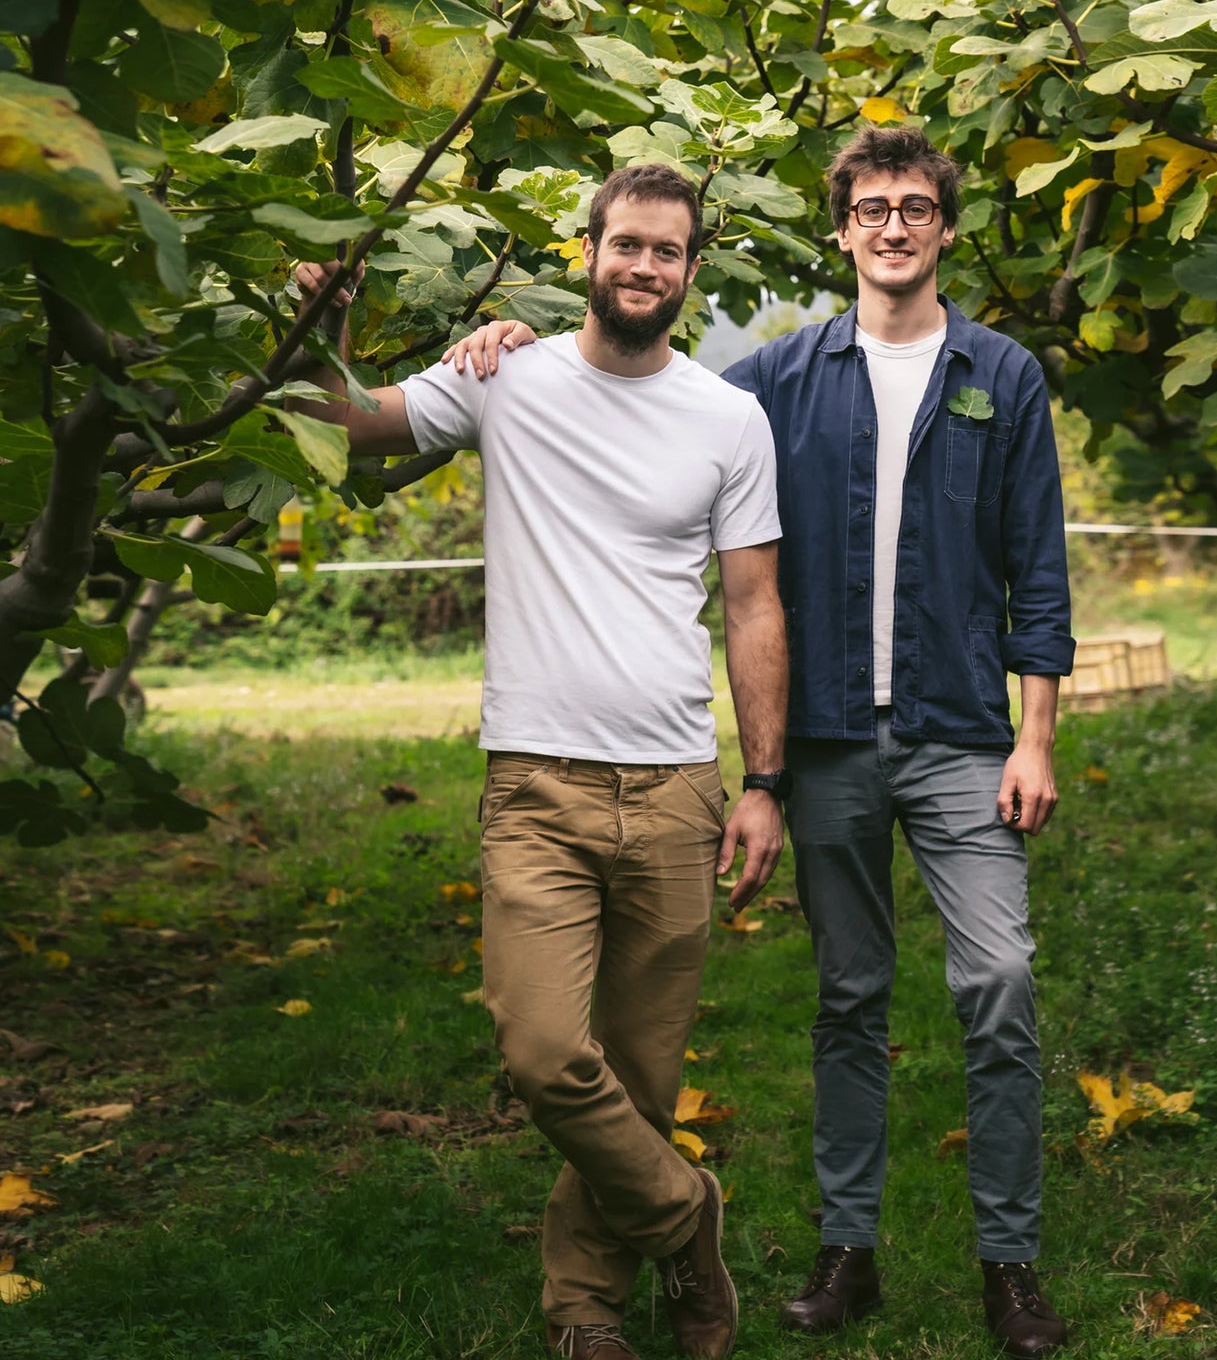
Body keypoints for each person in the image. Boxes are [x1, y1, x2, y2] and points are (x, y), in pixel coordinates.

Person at [450, 127, 1074, 1357]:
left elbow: (1036, 570)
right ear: (840, 228)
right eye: (869, 208)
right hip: (833, 743)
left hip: (960, 734)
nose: (891, 226)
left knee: (995, 984)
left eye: (914, 207)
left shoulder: (1003, 375)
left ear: (944, 228)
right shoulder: (774, 381)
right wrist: (507, 339)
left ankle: (1008, 1263)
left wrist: (1035, 736)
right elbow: (637, 392)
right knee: (848, 996)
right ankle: (850, 1252)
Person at [294, 162, 789, 1360]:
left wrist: (764, 783)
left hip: (676, 783)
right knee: (542, 1054)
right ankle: (686, 1218)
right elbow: (349, 428)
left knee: (638, 1070)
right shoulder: (503, 375)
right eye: (625, 244)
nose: (643, 266)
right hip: (536, 788)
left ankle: (584, 1313)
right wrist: (320, 333)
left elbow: (755, 607)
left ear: (688, 269)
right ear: (587, 254)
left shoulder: (728, 418)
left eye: (666, 251)